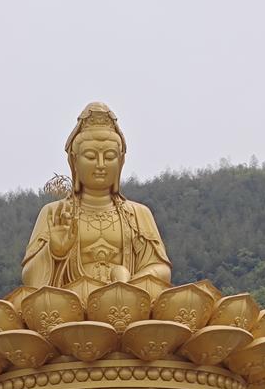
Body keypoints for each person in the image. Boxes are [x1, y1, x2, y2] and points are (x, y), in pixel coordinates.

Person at [21, 102, 171, 288]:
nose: (101, 165)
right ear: (75, 161)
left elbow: (162, 270)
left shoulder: (139, 214)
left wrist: (129, 283)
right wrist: (54, 252)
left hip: (127, 297)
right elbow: (30, 280)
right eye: (91, 156)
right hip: (72, 299)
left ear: (120, 161)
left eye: (109, 157)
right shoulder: (56, 213)